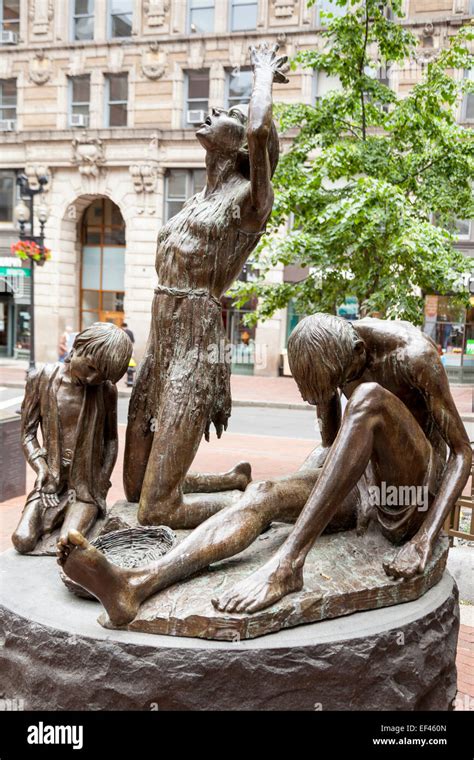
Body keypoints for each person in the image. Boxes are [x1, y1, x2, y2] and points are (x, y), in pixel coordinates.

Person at [58, 314, 471, 626]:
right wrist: (323, 402)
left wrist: (424, 539)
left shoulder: (412, 357)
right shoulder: (329, 351)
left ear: (358, 355)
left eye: (333, 384)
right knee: (264, 493)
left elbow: (462, 454)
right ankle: (136, 584)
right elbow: (332, 442)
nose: (332, 392)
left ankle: (288, 565)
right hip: (361, 482)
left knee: (368, 398)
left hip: (409, 494)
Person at [123, 42, 289, 529]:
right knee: (134, 486)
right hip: (160, 345)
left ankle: (257, 508)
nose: (214, 110)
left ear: (241, 145)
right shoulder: (196, 200)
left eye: (229, 111)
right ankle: (231, 480)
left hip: (196, 350)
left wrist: (262, 75)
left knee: (155, 510)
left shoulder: (250, 203)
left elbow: (260, 129)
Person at [12, 323, 133, 554]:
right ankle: (54, 519)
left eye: (101, 375)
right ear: (77, 348)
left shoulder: (105, 390)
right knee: (22, 539)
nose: (92, 378)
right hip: (50, 484)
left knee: (69, 542)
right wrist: (42, 469)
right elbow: (27, 434)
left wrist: (102, 482)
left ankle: (76, 517)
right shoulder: (40, 379)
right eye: (90, 367)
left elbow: (111, 441)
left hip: (85, 488)